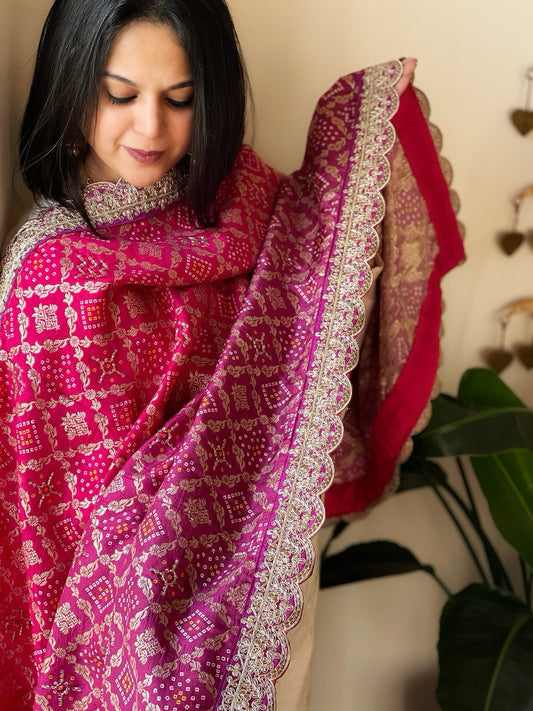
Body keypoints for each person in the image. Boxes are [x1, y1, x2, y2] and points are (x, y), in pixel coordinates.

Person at [0, 1, 464, 709]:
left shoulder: (248, 202)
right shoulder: (49, 280)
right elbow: (42, 516)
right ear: (67, 83)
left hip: (269, 598)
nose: (151, 127)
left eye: (180, 99)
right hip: (125, 636)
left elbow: (315, 315)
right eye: (120, 95)